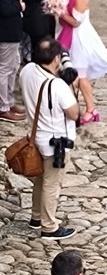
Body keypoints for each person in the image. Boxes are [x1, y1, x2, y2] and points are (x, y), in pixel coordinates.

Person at [19, 38, 79, 239]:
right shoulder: (58, 85)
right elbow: (73, 113)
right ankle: (49, 226)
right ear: (55, 58)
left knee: (39, 180)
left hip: (35, 138)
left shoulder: (27, 71)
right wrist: (69, 83)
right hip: (56, 144)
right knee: (51, 185)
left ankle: (36, 217)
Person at [51, 0, 107, 123]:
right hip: (71, 35)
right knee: (79, 76)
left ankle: (90, 109)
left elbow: (76, 22)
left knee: (80, 76)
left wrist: (59, 12)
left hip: (79, 37)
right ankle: (87, 107)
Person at [0, 0, 25, 122]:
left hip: (10, 31)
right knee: (5, 69)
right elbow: (5, 8)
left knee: (12, 65)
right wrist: (19, 7)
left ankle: (7, 101)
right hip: (6, 30)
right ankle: (3, 106)